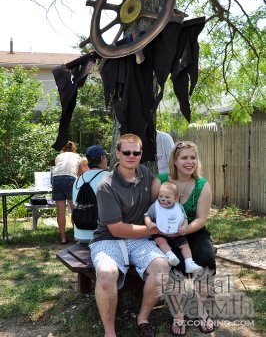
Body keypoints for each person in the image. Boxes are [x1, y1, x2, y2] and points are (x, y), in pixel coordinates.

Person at [89, 133, 170, 337]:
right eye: (126, 152)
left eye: (136, 152)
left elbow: (159, 195)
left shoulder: (144, 173)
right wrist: (155, 229)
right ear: (117, 153)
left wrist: (166, 211)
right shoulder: (106, 186)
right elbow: (117, 229)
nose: (131, 156)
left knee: (161, 267)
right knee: (106, 274)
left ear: (141, 154)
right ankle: (110, 333)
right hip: (108, 239)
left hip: (139, 240)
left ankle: (142, 319)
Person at [158, 141, 216, 335]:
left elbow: (200, 219)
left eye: (193, 157)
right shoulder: (161, 180)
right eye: (184, 157)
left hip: (193, 231)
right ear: (174, 160)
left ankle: (201, 311)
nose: (189, 161)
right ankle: (178, 314)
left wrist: (183, 230)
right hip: (166, 235)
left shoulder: (202, 184)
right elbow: (153, 209)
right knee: (173, 265)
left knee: (206, 259)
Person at [144, 181, 203, 273]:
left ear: (175, 198)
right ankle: (170, 255)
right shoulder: (155, 207)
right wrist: (149, 223)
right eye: (161, 197)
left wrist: (184, 227)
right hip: (161, 232)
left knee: (185, 246)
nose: (163, 199)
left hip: (177, 233)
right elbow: (147, 215)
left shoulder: (179, 207)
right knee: (160, 241)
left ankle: (189, 263)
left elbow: (185, 219)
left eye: (167, 197)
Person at [72, 145, 109, 243]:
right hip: (101, 235)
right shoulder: (108, 177)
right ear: (102, 158)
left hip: (79, 235)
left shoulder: (78, 180)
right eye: (106, 157)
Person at [52, 141, 80, 244]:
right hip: (70, 179)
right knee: (74, 210)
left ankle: (63, 239)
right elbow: (79, 172)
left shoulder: (59, 156)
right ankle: (77, 237)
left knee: (61, 211)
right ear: (73, 148)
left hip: (56, 179)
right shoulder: (77, 156)